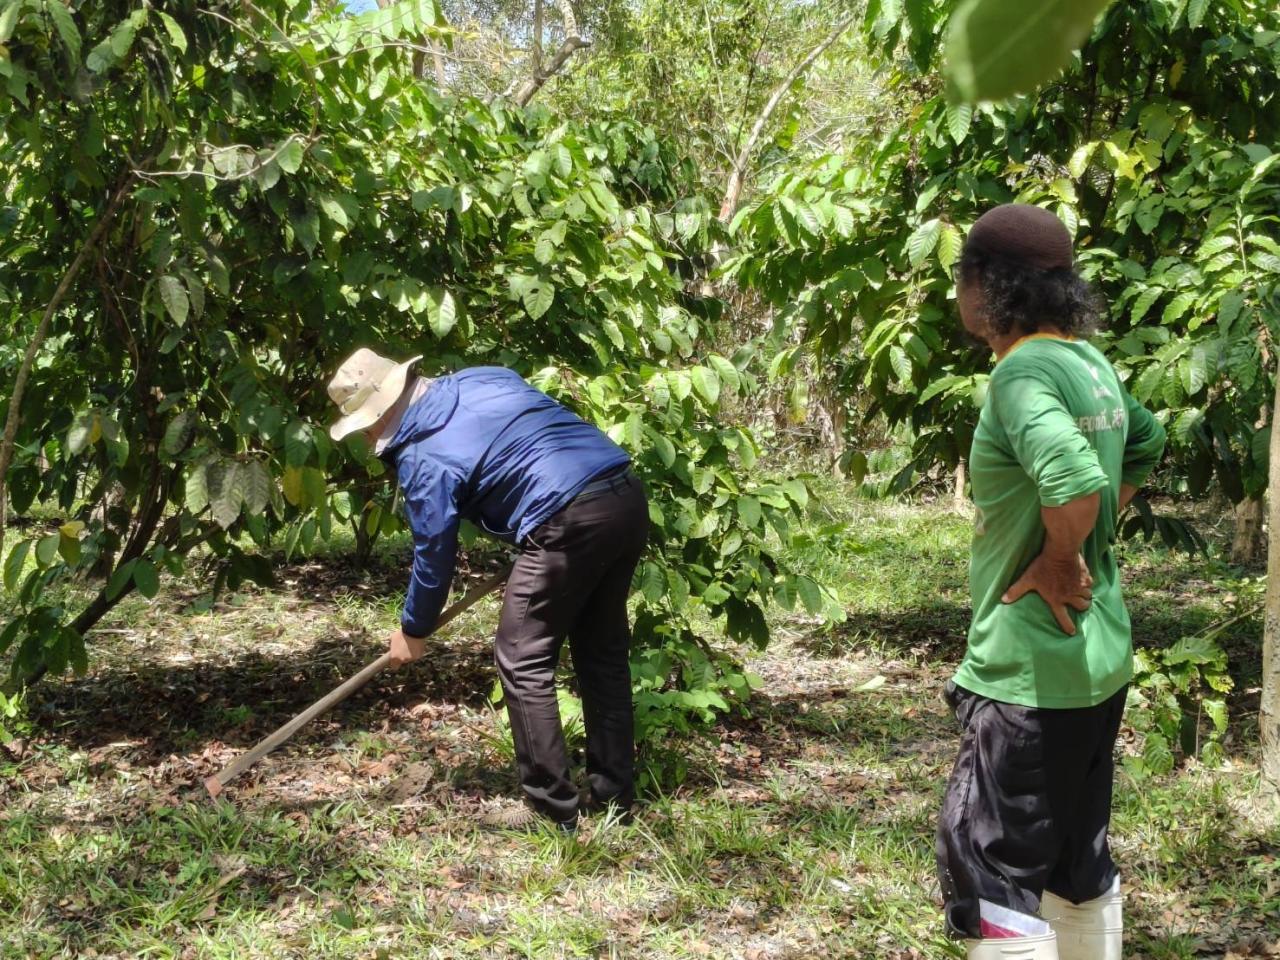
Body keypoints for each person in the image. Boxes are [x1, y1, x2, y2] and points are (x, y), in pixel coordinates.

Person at [935, 204, 1167, 960]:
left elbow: (1071, 477)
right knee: (1077, 864)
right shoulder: (1087, 363)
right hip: (1096, 663)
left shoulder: (1020, 374)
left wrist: (1060, 558)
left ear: (985, 285)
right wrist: (1089, 535)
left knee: (994, 873)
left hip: (1029, 670)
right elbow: (1147, 440)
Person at [325, 349, 648, 832]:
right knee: (601, 654)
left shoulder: (422, 454)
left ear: (381, 411)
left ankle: (551, 810)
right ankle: (614, 796)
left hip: (566, 519)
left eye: (365, 426)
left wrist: (414, 629)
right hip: (622, 496)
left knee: (521, 657)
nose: (367, 437)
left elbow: (434, 552)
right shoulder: (481, 378)